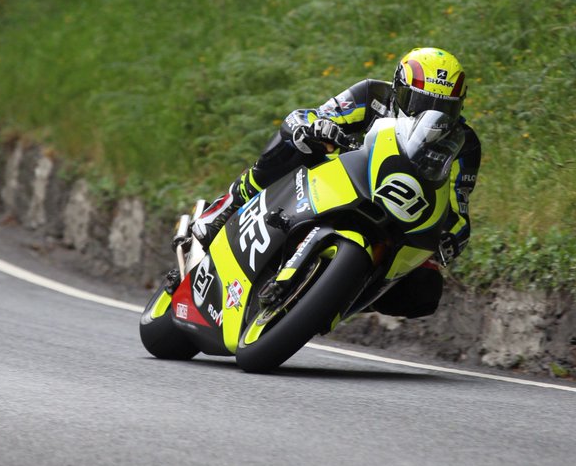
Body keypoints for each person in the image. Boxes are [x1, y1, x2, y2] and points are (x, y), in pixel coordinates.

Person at [191, 47, 481, 319]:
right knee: (299, 141)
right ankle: (230, 203)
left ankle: (337, 294)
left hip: (400, 215)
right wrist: (317, 125)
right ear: (398, 89)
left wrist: (452, 236)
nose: (427, 116)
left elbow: (460, 207)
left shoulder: (465, 145)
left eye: (444, 108)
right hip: (337, 181)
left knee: (425, 290)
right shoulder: (372, 94)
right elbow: (309, 116)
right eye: (420, 103)